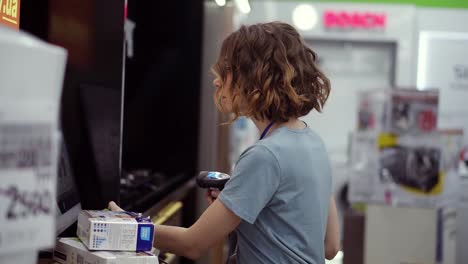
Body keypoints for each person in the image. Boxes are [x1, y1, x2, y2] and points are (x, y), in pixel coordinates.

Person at [109, 21, 340, 263]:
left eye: (227, 71)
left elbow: (192, 244)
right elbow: (330, 246)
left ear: (256, 78)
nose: (217, 81)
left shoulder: (265, 156)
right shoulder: (315, 145)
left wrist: (128, 227)